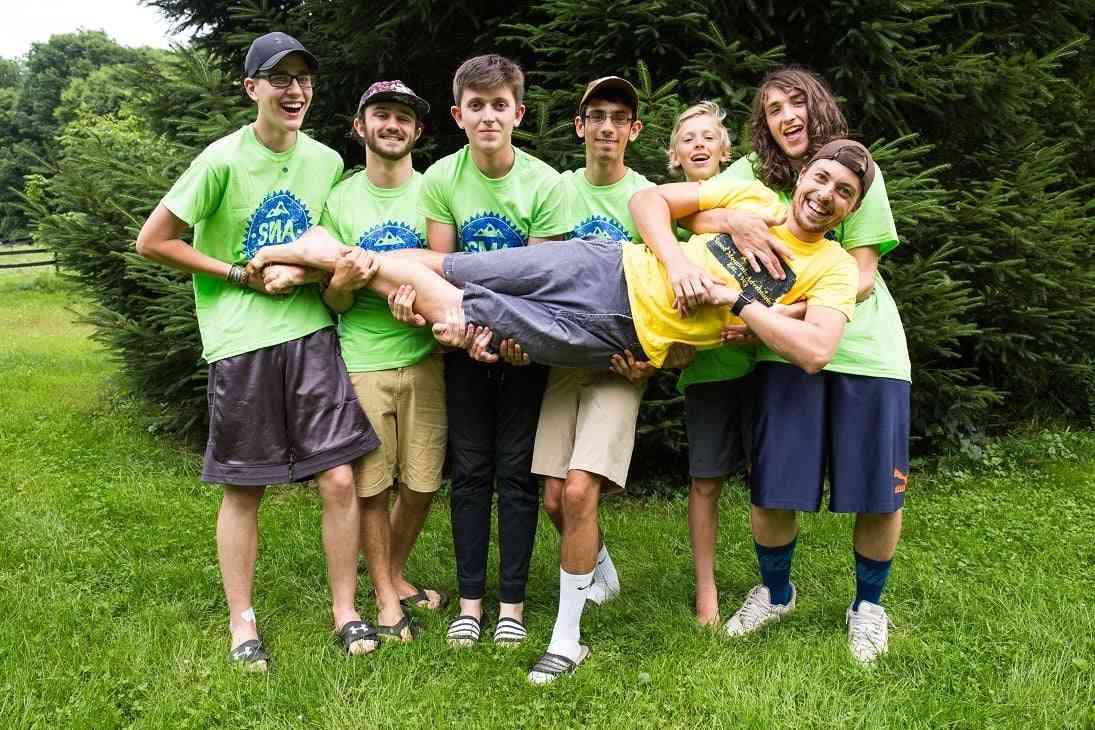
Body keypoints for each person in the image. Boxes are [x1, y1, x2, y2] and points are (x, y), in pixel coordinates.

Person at [134, 32, 381, 670]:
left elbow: (324, 246)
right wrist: (236, 272)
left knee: (336, 476)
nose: (294, 90)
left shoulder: (326, 162)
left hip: (311, 335)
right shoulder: (220, 161)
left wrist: (300, 274)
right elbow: (153, 240)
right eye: (280, 79)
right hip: (240, 341)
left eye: (303, 79)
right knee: (245, 488)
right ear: (253, 89)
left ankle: (346, 613)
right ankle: (242, 625)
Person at [684, 67, 912, 663]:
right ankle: (777, 592)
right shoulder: (750, 175)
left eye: (796, 102)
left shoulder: (858, 173)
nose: (787, 115)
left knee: (877, 495)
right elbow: (690, 212)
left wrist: (777, 308)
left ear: (818, 107)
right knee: (773, 485)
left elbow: (862, 274)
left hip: (866, 351)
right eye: (773, 107)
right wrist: (731, 218)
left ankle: (868, 605)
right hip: (780, 352)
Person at [417, 54, 570, 647]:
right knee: (472, 470)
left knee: (516, 472)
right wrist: (470, 335)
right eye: (476, 106)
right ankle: (470, 602)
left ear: (518, 113)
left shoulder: (545, 183)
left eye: (499, 105)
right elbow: (441, 271)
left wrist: (511, 340)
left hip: (524, 346)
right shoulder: (440, 179)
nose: (488, 116)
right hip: (464, 344)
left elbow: (540, 280)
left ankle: (511, 605)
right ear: (459, 114)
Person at [527, 76, 654, 684]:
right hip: (561, 363)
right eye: (596, 116)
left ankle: (566, 639)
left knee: (579, 494)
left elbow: (669, 292)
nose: (607, 126)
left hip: (617, 366)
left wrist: (654, 358)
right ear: (580, 127)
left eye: (619, 117)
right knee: (554, 499)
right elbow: (537, 274)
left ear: (635, 131)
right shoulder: (557, 191)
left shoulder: (648, 198)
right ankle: (597, 562)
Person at [318, 80, 450, 642]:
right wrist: (345, 284)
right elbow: (333, 298)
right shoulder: (339, 199)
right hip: (362, 360)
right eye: (381, 115)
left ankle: (392, 573)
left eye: (402, 117)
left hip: (425, 358)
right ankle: (385, 594)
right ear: (360, 126)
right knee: (372, 486)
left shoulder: (434, 193)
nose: (392, 125)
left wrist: (417, 303)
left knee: (421, 485)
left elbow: (448, 270)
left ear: (417, 131)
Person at [666, 101, 767, 627]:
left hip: (762, 364)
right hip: (707, 372)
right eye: (688, 139)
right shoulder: (672, 232)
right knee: (706, 480)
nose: (700, 145)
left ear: (726, 151)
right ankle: (706, 589)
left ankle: (770, 581)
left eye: (709, 137)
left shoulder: (747, 187)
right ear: (674, 156)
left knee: (766, 479)